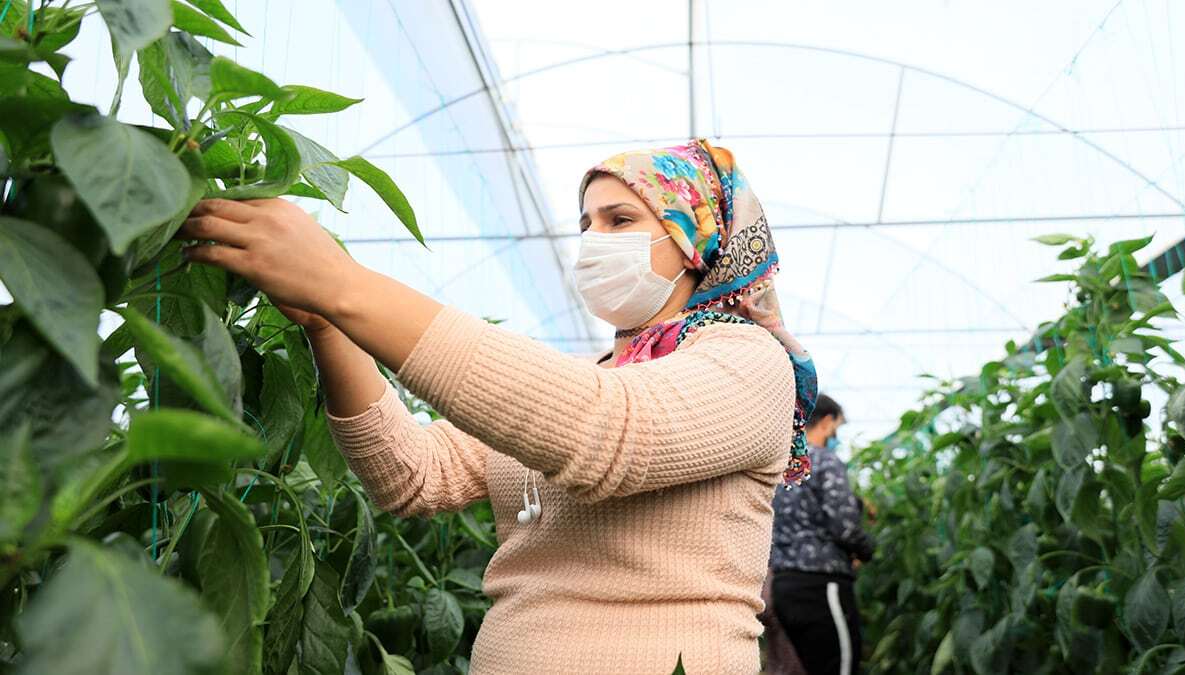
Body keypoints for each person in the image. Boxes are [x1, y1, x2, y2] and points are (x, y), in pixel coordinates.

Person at [175, 138, 818, 674]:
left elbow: (613, 433)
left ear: (695, 235)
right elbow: (413, 474)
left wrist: (345, 286)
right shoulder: (584, 377)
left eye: (620, 221)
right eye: (586, 224)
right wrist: (327, 324)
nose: (593, 240)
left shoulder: (749, 361)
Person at [765, 395, 873, 675]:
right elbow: (844, 527)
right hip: (821, 585)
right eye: (837, 426)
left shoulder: (781, 466)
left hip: (783, 586)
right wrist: (867, 550)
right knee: (840, 666)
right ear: (826, 422)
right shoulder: (825, 461)